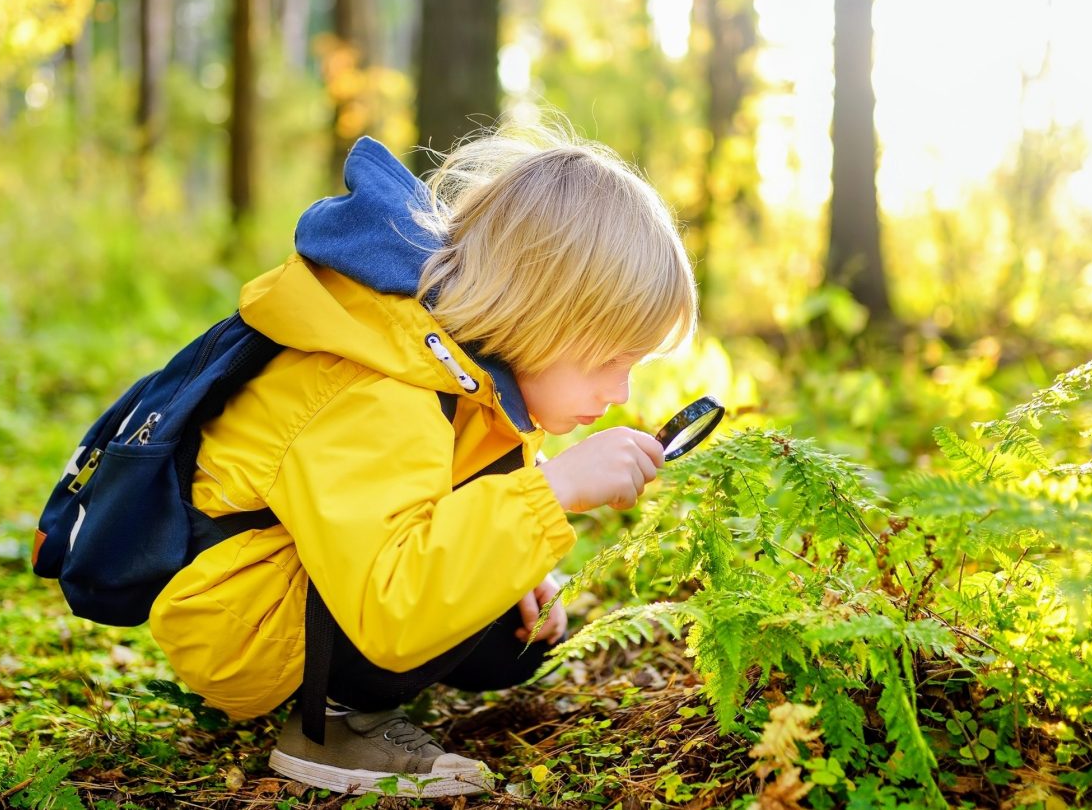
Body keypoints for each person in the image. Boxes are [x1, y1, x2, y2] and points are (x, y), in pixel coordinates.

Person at [148, 120, 697, 797]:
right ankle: (332, 729)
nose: (620, 393)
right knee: (451, 606)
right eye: (610, 360)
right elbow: (391, 597)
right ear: (540, 311)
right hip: (241, 622)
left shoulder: (471, 376)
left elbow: (440, 504)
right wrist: (548, 494)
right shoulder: (383, 385)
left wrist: (517, 561)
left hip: (329, 582)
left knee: (512, 636)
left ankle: (354, 694)